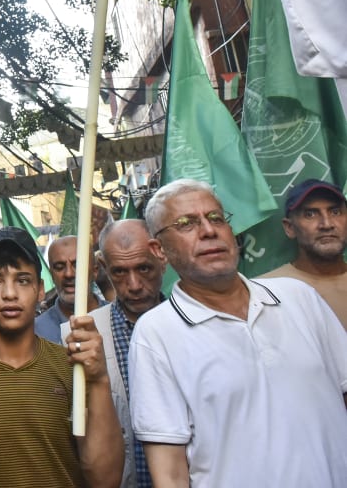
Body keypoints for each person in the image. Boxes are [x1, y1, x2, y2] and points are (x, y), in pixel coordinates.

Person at [131, 179, 347, 487]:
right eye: (186, 224)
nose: (208, 231)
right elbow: (169, 470)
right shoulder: (156, 333)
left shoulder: (300, 297)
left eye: (216, 218)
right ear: (159, 250)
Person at [0, 227, 123, 488]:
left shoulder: (75, 369)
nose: (10, 293)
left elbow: (106, 480)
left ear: (39, 289)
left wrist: (100, 379)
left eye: (22, 280)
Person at [60, 219, 164, 488]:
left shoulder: (191, 323)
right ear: (103, 268)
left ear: (161, 255)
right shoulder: (78, 337)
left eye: (143, 268)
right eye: (119, 272)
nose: (134, 284)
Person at [260, 178, 347, 329]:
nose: (326, 224)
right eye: (310, 214)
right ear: (289, 228)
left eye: (335, 212)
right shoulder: (267, 291)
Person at [35, 235, 105, 343]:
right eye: (59, 267)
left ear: (95, 271)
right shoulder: (35, 332)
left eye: (77, 265)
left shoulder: (117, 318)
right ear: (51, 275)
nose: (69, 274)